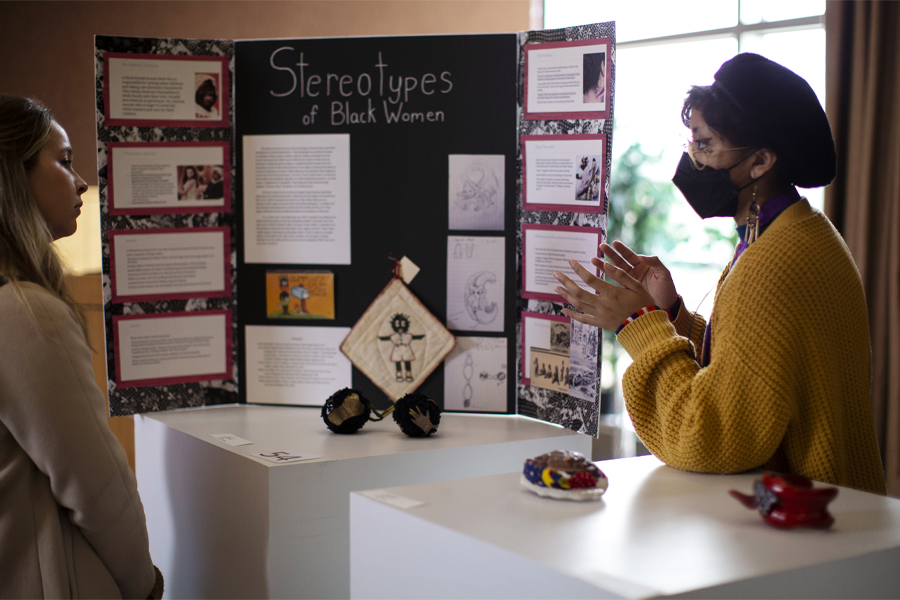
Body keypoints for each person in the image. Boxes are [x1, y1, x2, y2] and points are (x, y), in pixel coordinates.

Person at [554, 54, 886, 494]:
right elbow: (758, 369)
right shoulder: (799, 231)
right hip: (836, 514)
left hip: (806, 530)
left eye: (707, 144)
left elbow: (708, 437)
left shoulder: (773, 262)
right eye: (693, 141)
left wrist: (637, 325)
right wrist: (671, 313)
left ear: (761, 161)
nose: (693, 157)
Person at [0, 96, 163, 597]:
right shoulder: (26, 314)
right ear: (13, 173)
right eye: (65, 161)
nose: (81, 181)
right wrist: (145, 584)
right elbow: (97, 487)